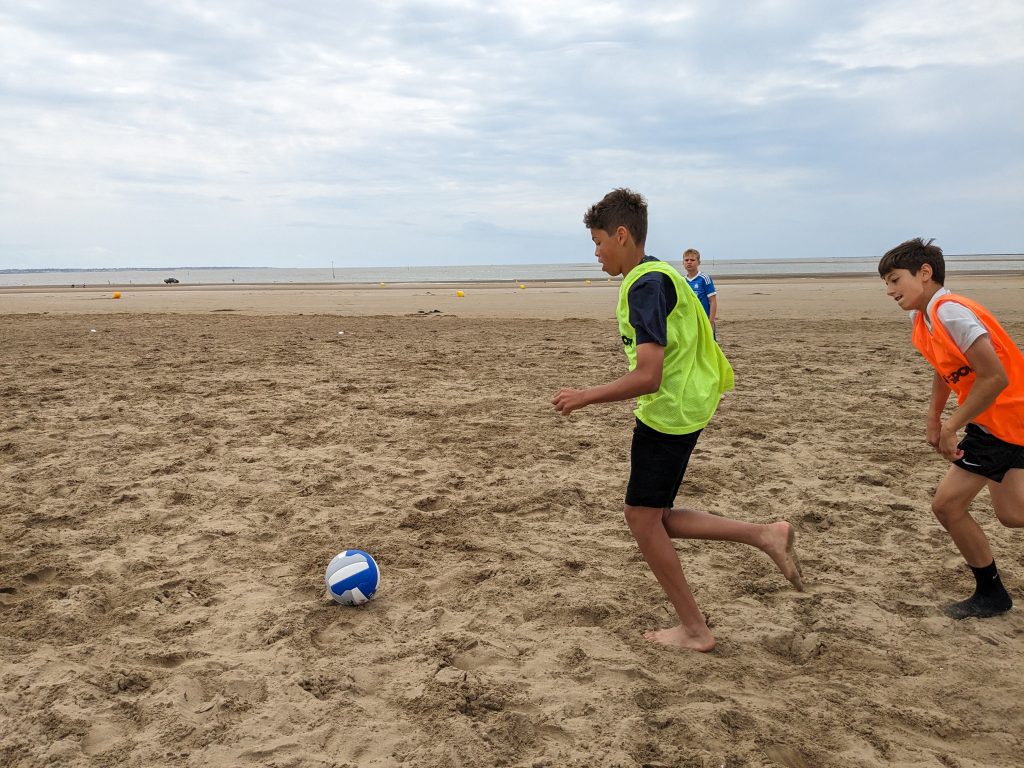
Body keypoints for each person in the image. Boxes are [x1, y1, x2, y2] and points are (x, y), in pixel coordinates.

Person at [551, 188, 804, 652]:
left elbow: (648, 376)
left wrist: (585, 396)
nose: (595, 252)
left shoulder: (645, 286)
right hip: (687, 403)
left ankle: (695, 628)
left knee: (641, 519)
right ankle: (765, 535)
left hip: (670, 412)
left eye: (598, 241)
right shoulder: (661, 273)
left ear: (622, 235)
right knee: (655, 516)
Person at [879, 238, 1024, 619]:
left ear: (924, 273)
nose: (890, 291)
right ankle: (992, 594)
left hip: (1008, 420)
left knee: (947, 505)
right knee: (1012, 513)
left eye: (895, 280)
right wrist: (933, 418)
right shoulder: (923, 316)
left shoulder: (951, 311)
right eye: (886, 284)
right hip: (996, 421)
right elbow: (947, 370)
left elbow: (995, 377)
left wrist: (951, 425)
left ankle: (991, 595)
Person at [682, 248, 717, 336]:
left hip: (704, 319)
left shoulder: (704, 278)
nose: (689, 262)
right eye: (686, 260)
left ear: (698, 262)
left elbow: (713, 301)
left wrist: (711, 321)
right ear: (683, 263)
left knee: (709, 345)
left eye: (692, 260)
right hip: (689, 321)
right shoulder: (682, 280)